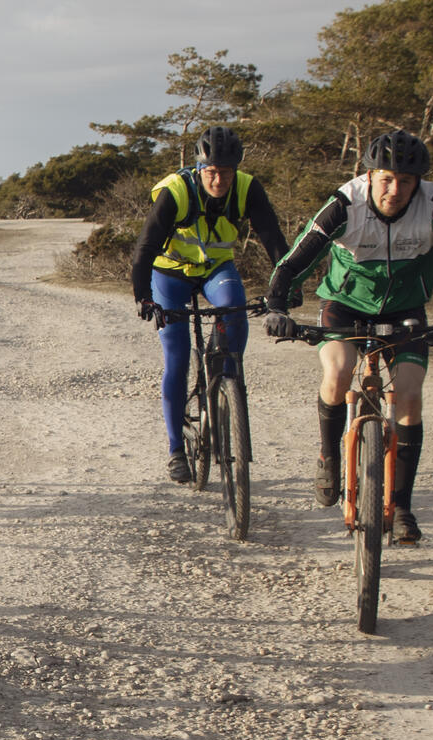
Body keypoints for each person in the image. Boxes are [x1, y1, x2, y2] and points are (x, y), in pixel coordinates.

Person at [263, 129, 433, 543]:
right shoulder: (344, 204)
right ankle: (329, 453)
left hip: (406, 309)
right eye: (386, 178)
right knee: (338, 372)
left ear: (418, 183)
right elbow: (294, 260)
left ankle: (403, 506)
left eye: (406, 181)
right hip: (344, 304)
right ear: (368, 175)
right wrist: (278, 307)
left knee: (408, 393)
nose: (395, 189)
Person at [132, 126, 287, 484]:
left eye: (226, 173)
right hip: (169, 273)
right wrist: (143, 297)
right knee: (177, 354)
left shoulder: (248, 189)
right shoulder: (176, 192)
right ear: (199, 168)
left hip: (217, 270)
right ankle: (175, 450)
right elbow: (145, 248)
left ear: (236, 170)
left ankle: (223, 382)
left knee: (234, 311)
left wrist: (283, 289)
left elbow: (275, 242)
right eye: (211, 172)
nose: (218, 180)